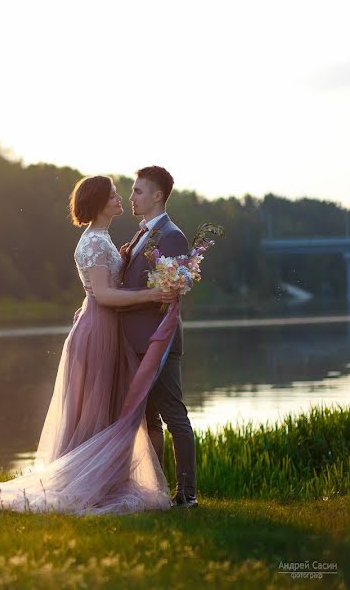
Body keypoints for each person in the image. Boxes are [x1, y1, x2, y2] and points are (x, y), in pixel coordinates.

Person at [0, 175, 181, 515]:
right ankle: (86, 484)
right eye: (113, 195)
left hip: (107, 329)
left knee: (107, 410)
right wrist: (153, 294)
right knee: (94, 410)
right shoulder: (94, 243)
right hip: (99, 330)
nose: (120, 199)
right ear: (98, 203)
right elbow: (106, 296)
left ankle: (105, 481)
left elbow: (109, 285)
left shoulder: (103, 240)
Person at [118, 165, 198, 508]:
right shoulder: (141, 235)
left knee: (173, 414)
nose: (131, 197)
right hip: (137, 342)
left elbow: (170, 294)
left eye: (138, 191)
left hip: (159, 342)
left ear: (157, 196)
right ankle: (157, 491)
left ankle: (187, 494)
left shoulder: (171, 236)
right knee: (149, 419)